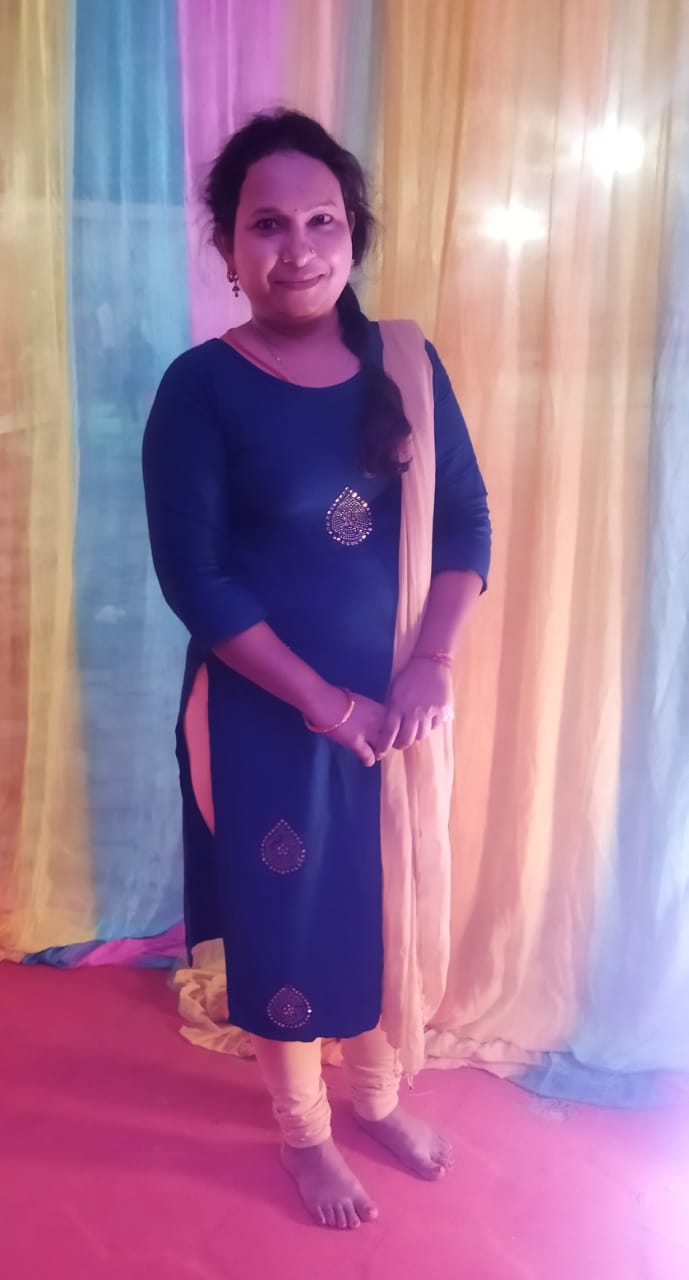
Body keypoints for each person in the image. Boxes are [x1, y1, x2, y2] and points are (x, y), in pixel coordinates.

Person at [142, 109, 491, 1231]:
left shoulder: (405, 364)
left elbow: (466, 522)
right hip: (263, 711)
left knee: (386, 904)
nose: (297, 248)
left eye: (322, 221)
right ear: (226, 246)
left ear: (353, 232)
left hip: (398, 705)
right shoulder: (202, 388)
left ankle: (376, 1096)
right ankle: (304, 1133)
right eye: (267, 225)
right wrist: (322, 702)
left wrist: (429, 662)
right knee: (287, 914)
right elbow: (197, 579)